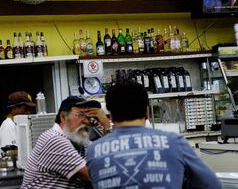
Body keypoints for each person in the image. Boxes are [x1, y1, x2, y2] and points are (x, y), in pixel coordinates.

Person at [86, 81, 221, 189]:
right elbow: (211, 184)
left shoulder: (93, 151)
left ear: (112, 115)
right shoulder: (174, 142)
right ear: (147, 112)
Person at [21, 96, 111, 189]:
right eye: (81, 115)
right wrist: (107, 126)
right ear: (63, 117)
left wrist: (102, 127)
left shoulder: (80, 141)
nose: (86, 121)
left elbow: (110, 160)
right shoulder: (54, 140)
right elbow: (98, 176)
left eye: (90, 117)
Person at [0, 91, 36, 158]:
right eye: (25, 109)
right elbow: (8, 154)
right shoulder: (8, 125)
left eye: (30, 109)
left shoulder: (18, 125)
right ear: (14, 108)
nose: (28, 112)